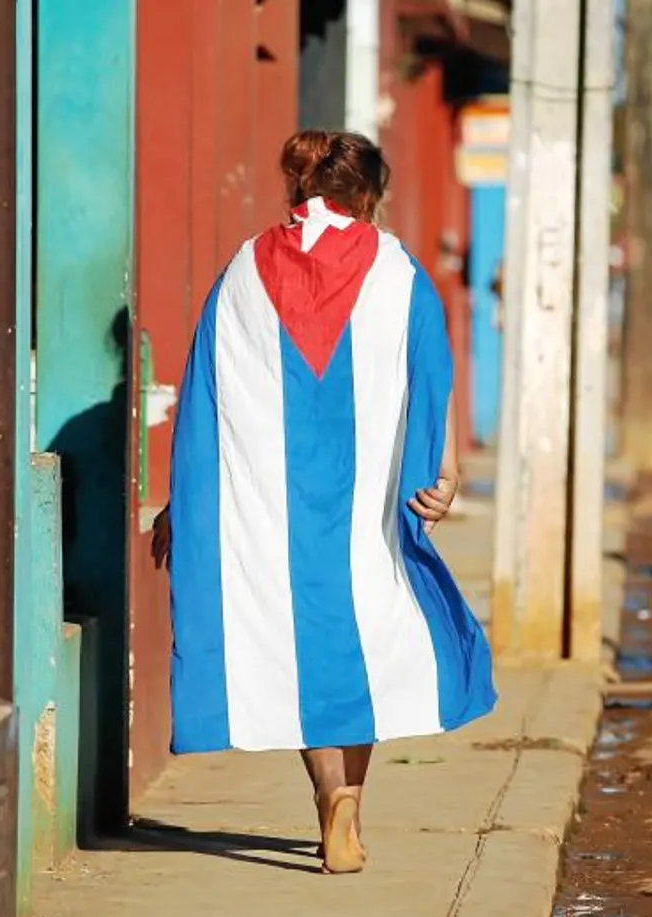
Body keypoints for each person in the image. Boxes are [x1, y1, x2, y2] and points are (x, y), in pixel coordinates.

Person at [150, 130, 497, 875]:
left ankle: (326, 797)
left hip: (269, 507)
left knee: (290, 641)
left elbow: (209, 394)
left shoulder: (243, 269)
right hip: (366, 500)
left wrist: (186, 503)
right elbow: (431, 375)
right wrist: (443, 472)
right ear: (368, 193)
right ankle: (352, 804)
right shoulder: (398, 271)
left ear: (297, 188)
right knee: (363, 635)